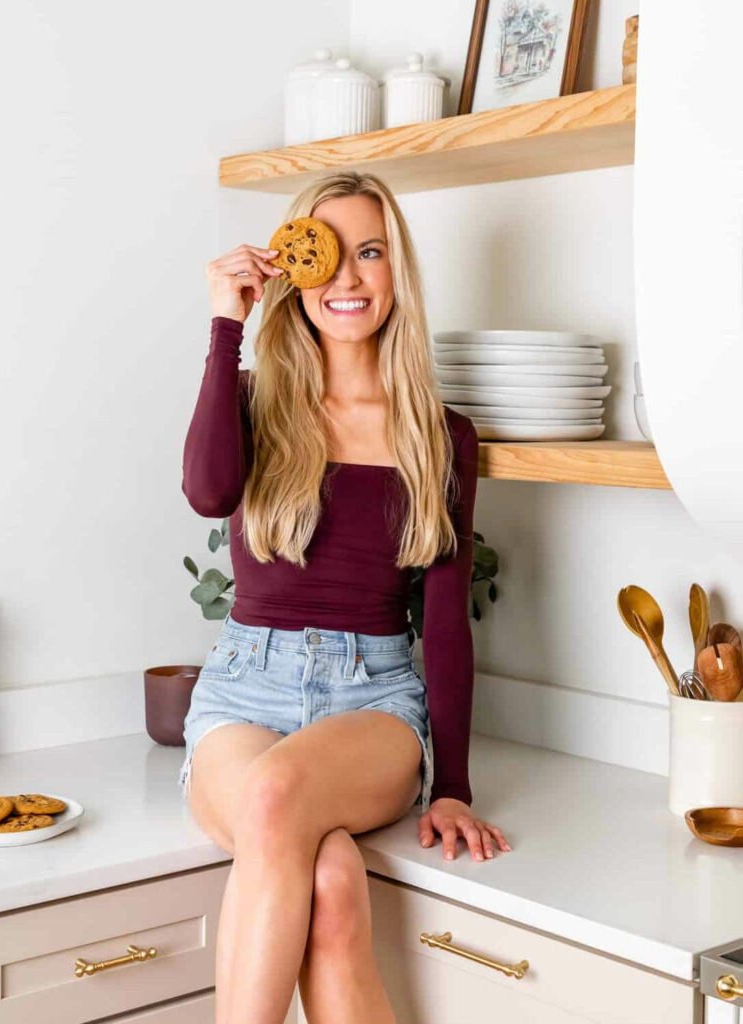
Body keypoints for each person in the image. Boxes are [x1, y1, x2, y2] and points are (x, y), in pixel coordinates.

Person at [179, 170, 511, 1024]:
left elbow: (443, 619)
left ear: (396, 270)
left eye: (370, 253)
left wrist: (454, 784)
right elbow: (209, 492)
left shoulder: (440, 436)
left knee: (276, 797)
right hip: (243, 692)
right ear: (293, 271)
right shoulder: (256, 401)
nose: (348, 279)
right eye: (326, 258)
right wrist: (228, 324)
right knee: (328, 878)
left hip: (374, 699)